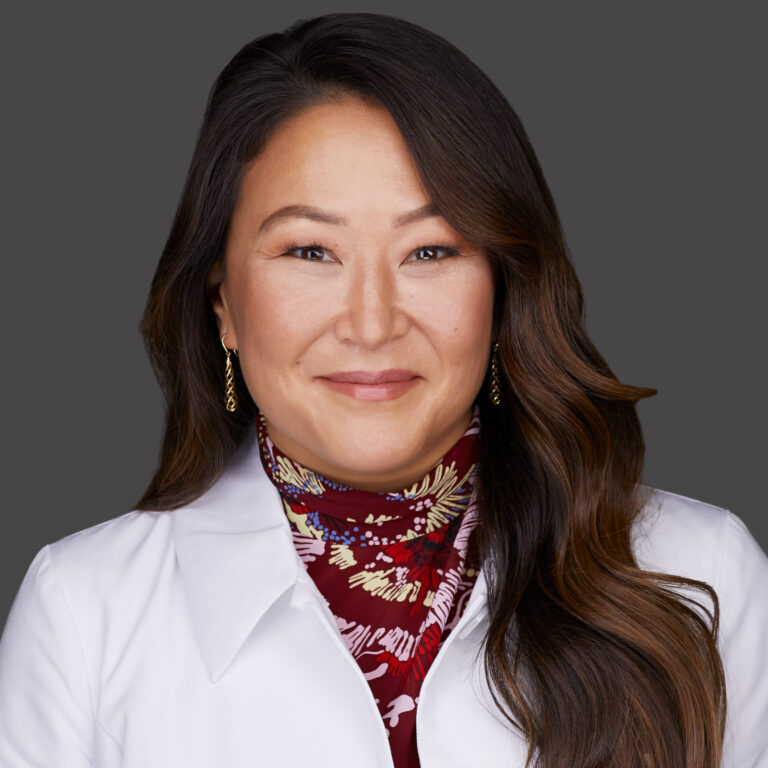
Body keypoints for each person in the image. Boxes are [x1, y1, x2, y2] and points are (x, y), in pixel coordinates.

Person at [0, 11, 766, 768]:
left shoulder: (701, 578)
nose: (372, 323)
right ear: (222, 303)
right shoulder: (84, 614)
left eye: (430, 250)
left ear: (504, 292)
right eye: (310, 250)